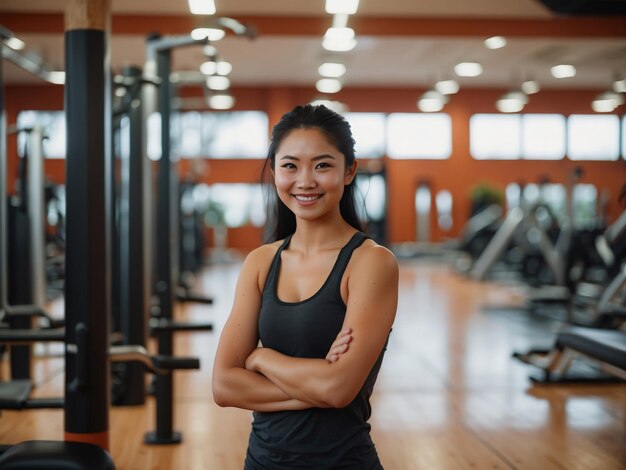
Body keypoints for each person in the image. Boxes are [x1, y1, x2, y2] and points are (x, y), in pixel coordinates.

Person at [212, 104, 398, 469]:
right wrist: (319, 383)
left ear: (349, 171)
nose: (305, 180)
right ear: (275, 171)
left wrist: (262, 358)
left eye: (323, 165)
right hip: (262, 461)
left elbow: (339, 389)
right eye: (290, 165)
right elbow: (224, 386)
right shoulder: (260, 263)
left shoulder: (370, 262)